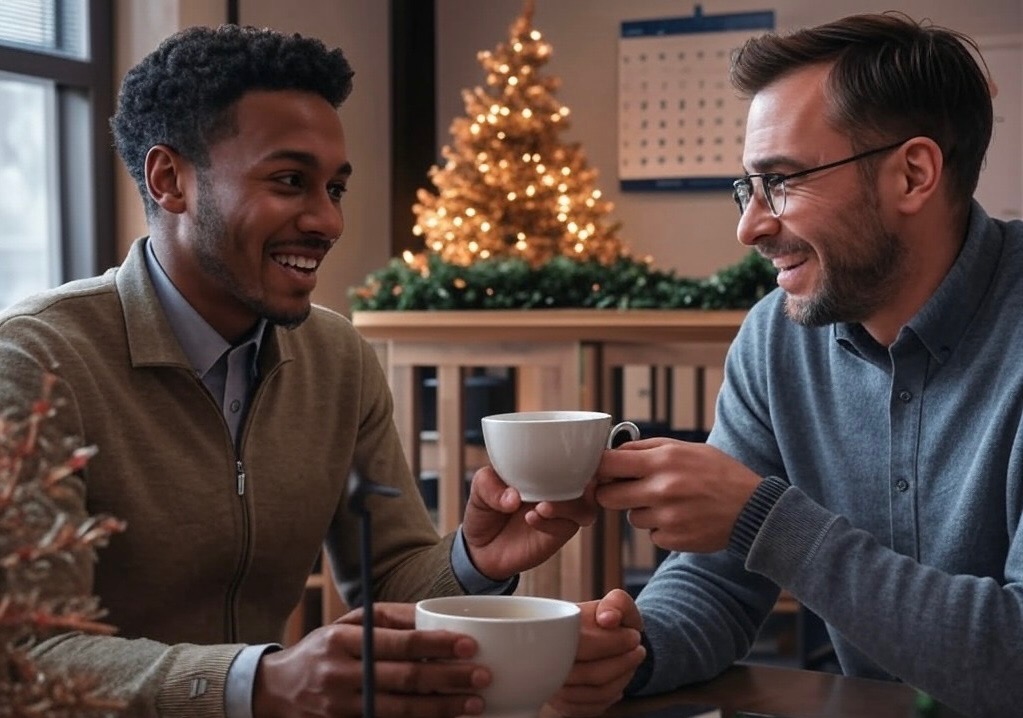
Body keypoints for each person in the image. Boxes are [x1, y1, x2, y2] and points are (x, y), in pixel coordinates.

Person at [0, 24, 599, 718]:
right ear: (171, 180)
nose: (327, 220)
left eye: (334, 188)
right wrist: (260, 683)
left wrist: (474, 557)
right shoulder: (36, 364)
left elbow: (387, 584)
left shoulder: (337, 359)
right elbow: (24, 657)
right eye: (290, 181)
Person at [555, 12, 1023, 718]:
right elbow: (713, 585)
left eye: (781, 181)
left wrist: (764, 520)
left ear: (913, 174)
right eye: (748, 187)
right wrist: (631, 651)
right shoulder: (776, 339)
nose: (749, 226)